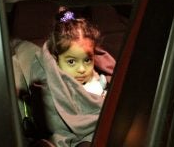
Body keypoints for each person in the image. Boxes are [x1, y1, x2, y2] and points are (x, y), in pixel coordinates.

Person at [28, 9, 115, 146]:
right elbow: (53, 124)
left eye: (87, 60)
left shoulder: (101, 77)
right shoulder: (49, 87)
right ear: (56, 59)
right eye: (71, 62)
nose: (81, 70)